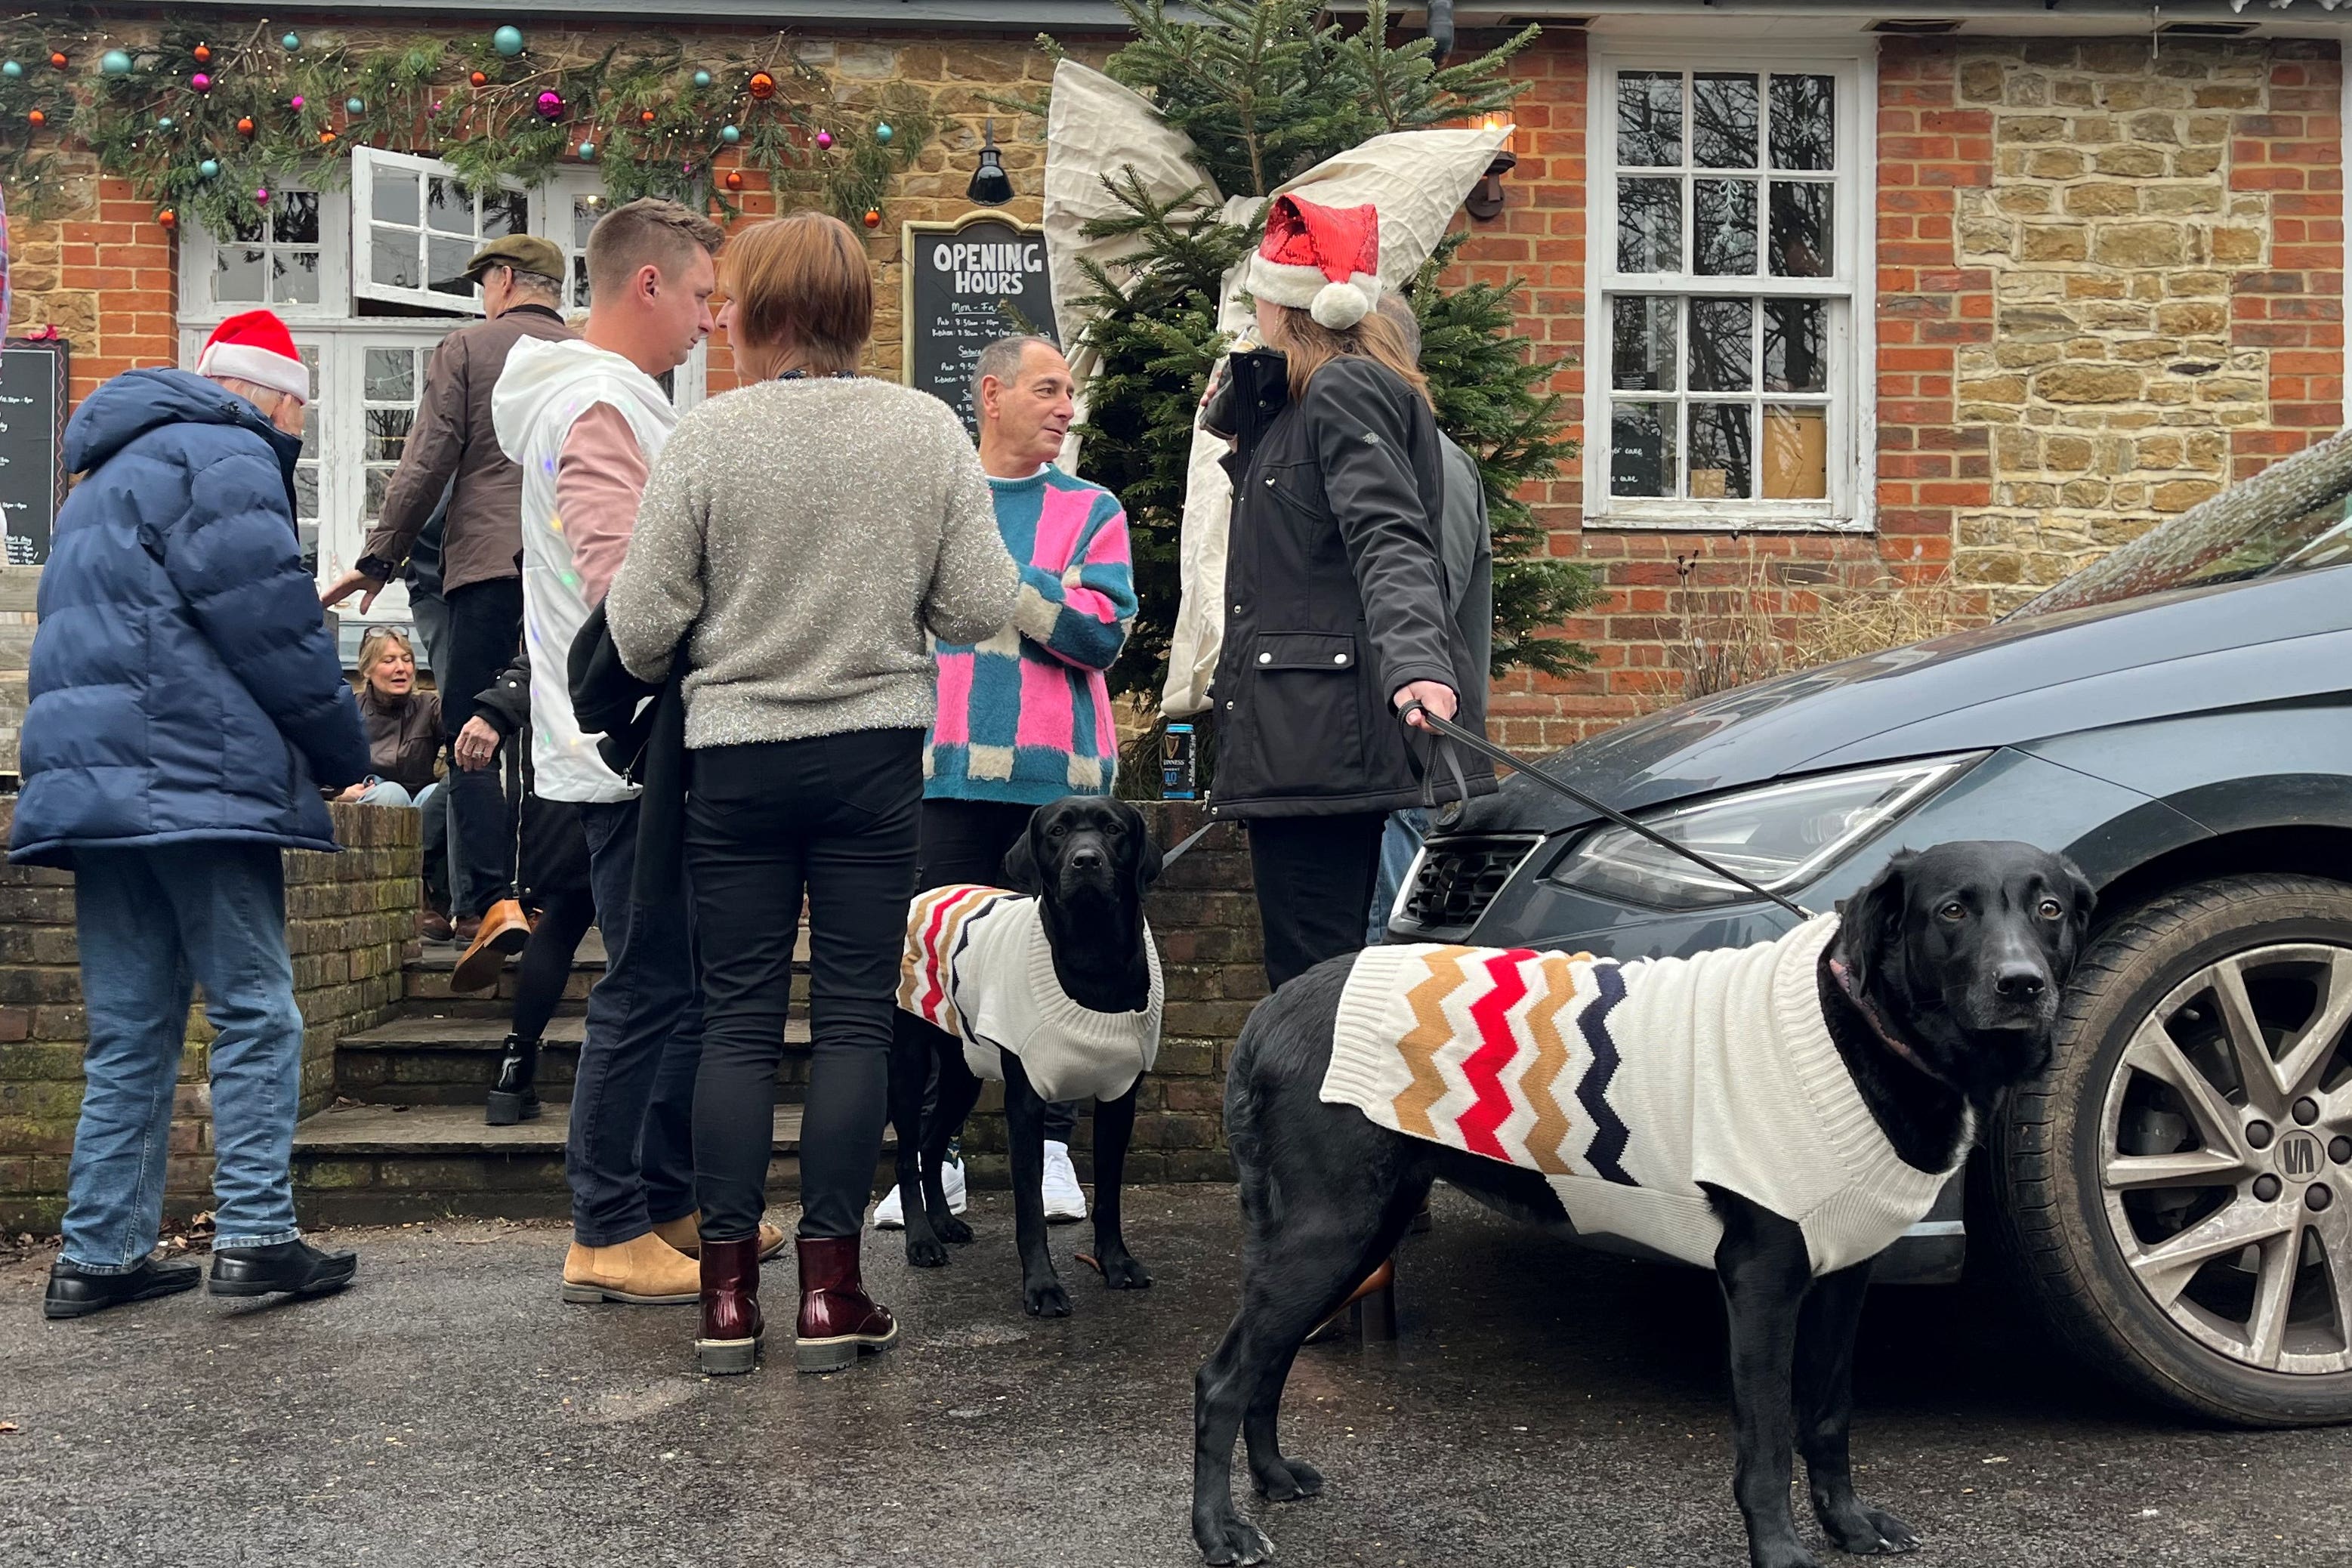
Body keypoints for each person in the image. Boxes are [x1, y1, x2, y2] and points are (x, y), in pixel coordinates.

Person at [607, 211, 1017, 1375]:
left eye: (732, 300)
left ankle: (727, 1300)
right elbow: (981, 608)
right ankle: (833, 1295)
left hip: (732, 762)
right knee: (849, 1017)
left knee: (735, 1017)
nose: (720, 318)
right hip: (876, 756)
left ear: (764, 309)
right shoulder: (924, 428)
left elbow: (639, 631)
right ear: (851, 307)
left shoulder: (707, 437)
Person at [16, 310, 373, 1318]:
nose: (295, 434)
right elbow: (273, 625)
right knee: (257, 1013)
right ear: (269, 396)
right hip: (194, 776)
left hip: (94, 784)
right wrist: (344, 753)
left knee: (131, 1029)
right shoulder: (226, 455)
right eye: (298, 411)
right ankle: (258, 1234)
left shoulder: (104, 472)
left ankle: (99, 1253)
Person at [493, 197, 735, 1309]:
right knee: (645, 988)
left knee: (674, 983)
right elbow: (622, 582)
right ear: (647, 285)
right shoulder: (596, 404)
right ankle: (603, 1225)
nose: (708, 320)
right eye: (697, 296)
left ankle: (664, 1202)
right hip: (632, 750)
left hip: (622, 745)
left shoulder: (603, 400)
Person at [874, 334, 1138, 1233]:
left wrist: (999, 583)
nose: (1067, 408)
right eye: (1048, 390)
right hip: (946, 773)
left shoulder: (1093, 508)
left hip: (1060, 790)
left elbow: (1102, 636)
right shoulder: (935, 502)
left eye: (1071, 393)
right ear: (992, 394)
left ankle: (1054, 1150)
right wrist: (1039, 597)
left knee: (1065, 972)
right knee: (937, 976)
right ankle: (929, 1161)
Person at [1202, 195, 1492, 991]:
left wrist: (1415, 668)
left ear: (1284, 302)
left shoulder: (1341, 390)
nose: (1248, 306)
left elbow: (1389, 536)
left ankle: (1324, 1118)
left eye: (1255, 291)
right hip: (1305, 730)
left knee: (1314, 984)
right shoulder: (1297, 402)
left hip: (1322, 734)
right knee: (1314, 977)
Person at [319, 235, 578, 982]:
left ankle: (492, 903)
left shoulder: (468, 347)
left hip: (489, 568)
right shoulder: (593, 358)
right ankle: (547, 898)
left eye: (484, 282)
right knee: (550, 735)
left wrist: (380, 557)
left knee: (473, 736)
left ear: (502, 281)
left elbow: (428, 459)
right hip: (566, 574)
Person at [1363, 292, 1494, 944]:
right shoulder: (1436, 456)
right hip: (1410, 764)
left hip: (1399, 762)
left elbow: (1418, 600)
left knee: (1375, 984)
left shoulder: (1411, 458)